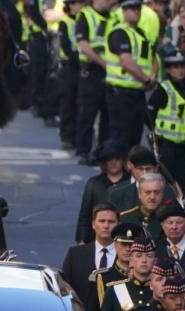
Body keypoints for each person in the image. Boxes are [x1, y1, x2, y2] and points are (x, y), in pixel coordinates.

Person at [104, 0, 156, 151]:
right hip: (120, 93)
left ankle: (129, 171)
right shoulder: (119, 32)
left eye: (138, 8)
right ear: (123, 11)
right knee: (120, 137)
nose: (136, 11)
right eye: (131, 8)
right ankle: (117, 173)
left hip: (138, 92)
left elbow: (152, 58)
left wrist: (153, 76)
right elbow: (126, 62)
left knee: (135, 137)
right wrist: (147, 79)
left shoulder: (142, 34)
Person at [96, 234, 155, 311]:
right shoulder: (115, 290)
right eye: (138, 256)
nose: (144, 260)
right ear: (131, 261)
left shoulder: (160, 292)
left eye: (149, 256)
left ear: (155, 261)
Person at [62, 202, 119, 311]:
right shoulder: (75, 254)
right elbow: (64, 290)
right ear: (93, 224)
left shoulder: (126, 256)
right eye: (102, 221)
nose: (106, 225)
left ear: (118, 225)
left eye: (111, 222)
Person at [148, 49, 185, 196]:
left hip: (184, 146)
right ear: (168, 69)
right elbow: (149, 113)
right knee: (165, 183)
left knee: (183, 185)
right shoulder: (163, 89)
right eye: (175, 66)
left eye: (182, 66)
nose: (180, 70)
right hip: (166, 145)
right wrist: (153, 137)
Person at [75, 0, 115, 163]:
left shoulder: (113, 16)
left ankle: (101, 153)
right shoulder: (85, 15)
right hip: (92, 71)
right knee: (87, 113)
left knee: (107, 115)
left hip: (111, 73)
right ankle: (83, 151)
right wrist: (104, 63)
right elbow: (83, 44)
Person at [75, 142, 127, 243]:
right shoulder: (94, 184)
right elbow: (85, 214)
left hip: (125, 237)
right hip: (97, 238)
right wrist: (81, 240)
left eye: (117, 159)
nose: (113, 163)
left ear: (122, 161)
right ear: (104, 163)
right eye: (109, 160)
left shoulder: (131, 182)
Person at [58, 0, 86, 149]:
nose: (79, 6)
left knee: (80, 103)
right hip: (70, 65)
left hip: (84, 65)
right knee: (68, 101)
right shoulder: (65, 22)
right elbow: (65, 45)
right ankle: (67, 136)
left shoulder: (85, 20)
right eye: (76, 3)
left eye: (81, 3)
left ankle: (78, 136)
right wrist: (77, 59)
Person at [96, 222, 144, 307]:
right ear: (115, 245)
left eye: (132, 245)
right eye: (123, 244)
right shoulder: (104, 277)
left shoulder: (147, 276)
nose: (128, 249)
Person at [119, 171, 170, 242]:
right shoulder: (127, 218)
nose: (152, 197)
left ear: (163, 194)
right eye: (148, 192)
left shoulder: (171, 217)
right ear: (139, 194)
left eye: (157, 192)